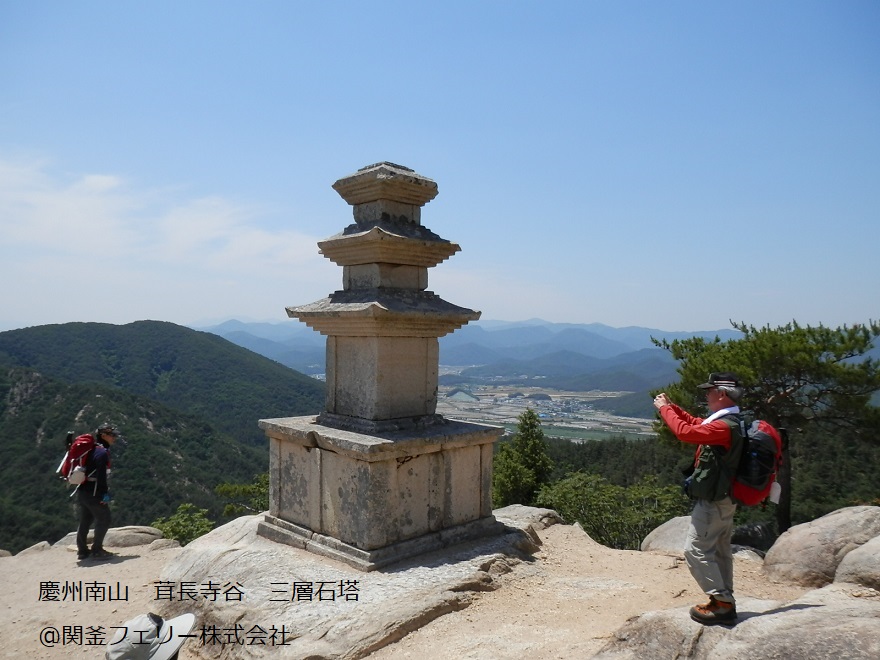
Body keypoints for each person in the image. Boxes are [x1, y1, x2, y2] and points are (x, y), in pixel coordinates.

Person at [653, 372, 745, 625]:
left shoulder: (724, 427)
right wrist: (673, 407)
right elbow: (695, 423)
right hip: (725, 498)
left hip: (714, 502)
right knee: (719, 551)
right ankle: (724, 599)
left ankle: (722, 604)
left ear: (722, 394)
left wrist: (664, 410)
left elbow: (685, 433)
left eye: (709, 390)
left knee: (695, 551)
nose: (706, 394)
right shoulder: (729, 421)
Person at [76, 424, 120, 561]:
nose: (115, 437)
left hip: (83, 490)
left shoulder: (93, 449)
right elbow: (101, 477)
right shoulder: (101, 453)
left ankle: (82, 551)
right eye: (112, 435)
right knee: (104, 518)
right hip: (93, 492)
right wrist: (104, 495)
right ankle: (97, 550)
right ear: (103, 436)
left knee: (85, 520)